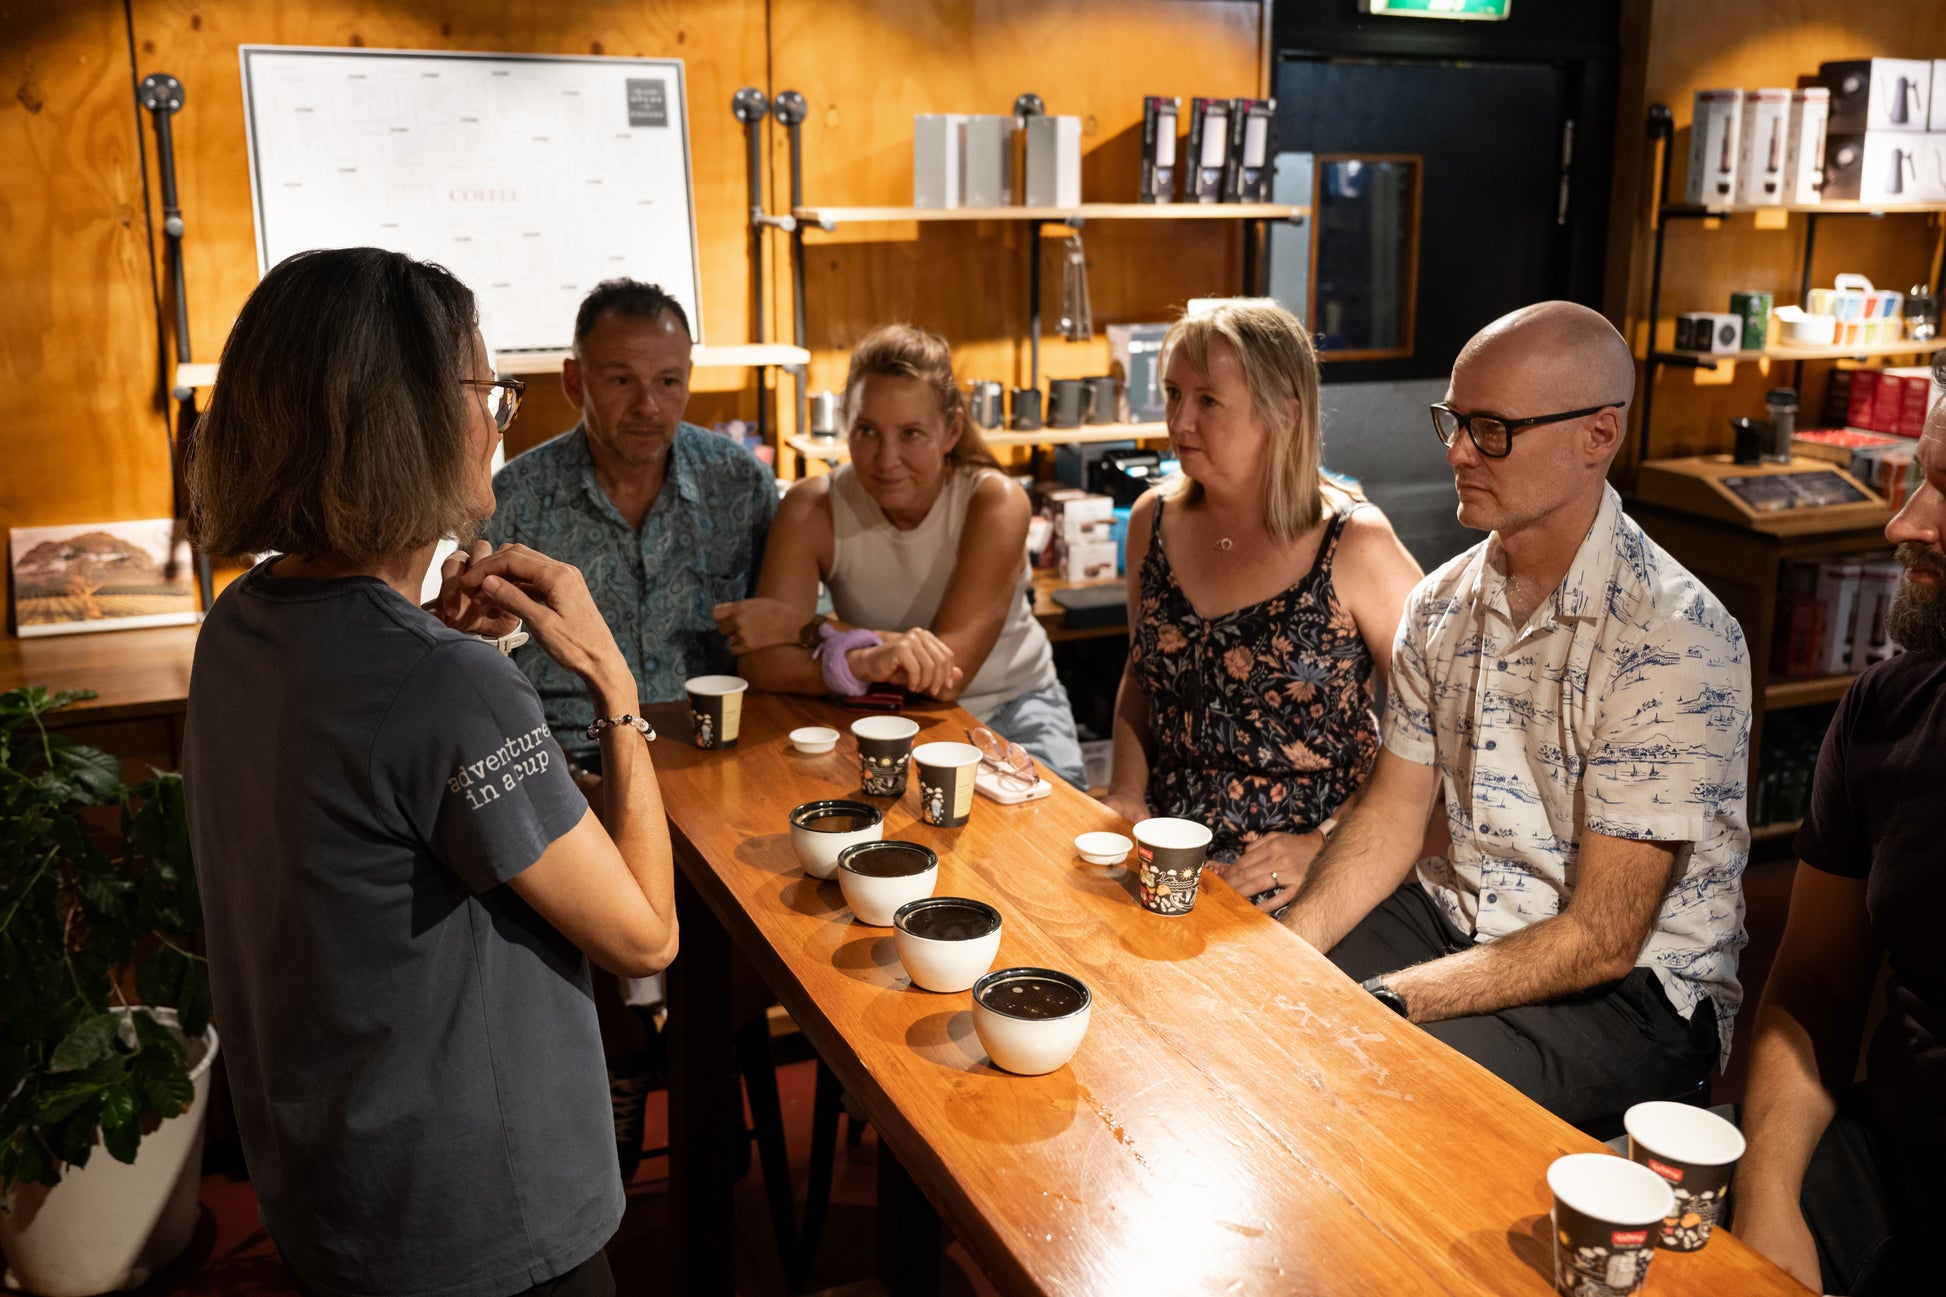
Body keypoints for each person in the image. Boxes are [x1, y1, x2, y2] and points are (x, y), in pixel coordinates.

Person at [183, 247, 678, 1297]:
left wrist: (446, 650)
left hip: (337, 1192)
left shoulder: (239, 623)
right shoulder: (442, 682)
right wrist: (611, 682)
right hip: (486, 1218)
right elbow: (645, 935)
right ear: (405, 417)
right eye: (486, 393)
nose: (497, 422)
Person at [1279, 301, 1751, 1129]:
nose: (1458, 451)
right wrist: (1283, 952)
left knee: (1369, 1080)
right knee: (1262, 1008)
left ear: (1597, 435)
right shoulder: (1438, 603)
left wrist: (1389, 999)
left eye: (1492, 430)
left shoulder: (1672, 635)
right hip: (1463, 916)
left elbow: (1603, 937)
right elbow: (1390, 817)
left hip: (1634, 991)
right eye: (1455, 421)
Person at [1100, 300, 1424, 909]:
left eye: (1208, 401)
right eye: (1173, 394)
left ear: (1283, 413)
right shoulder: (1152, 520)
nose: (1179, 421)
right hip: (1166, 847)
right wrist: (1125, 792)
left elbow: (1433, 722)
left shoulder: (1354, 541)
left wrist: (1326, 844)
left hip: (1298, 870)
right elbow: (1140, 677)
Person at [1733, 380, 1946, 1296]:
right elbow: (1815, 982)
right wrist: (1768, 1197)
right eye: (1920, 478)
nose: (1904, 524)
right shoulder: (1888, 709)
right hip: (1896, 1163)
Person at [713, 323, 1086, 786]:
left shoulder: (995, 502)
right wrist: (860, 662)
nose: (886, 459)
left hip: (1013, 711)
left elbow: (946, 675)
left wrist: (805, 628)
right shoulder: (813, 507)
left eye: (911, 433)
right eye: (867, 431)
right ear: (846, 423)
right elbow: (760, 663)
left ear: (951, 430)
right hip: (879, 712)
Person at [487, 277, 775, 772]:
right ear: (575, 382)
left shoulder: (741, 483)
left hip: (715, 752)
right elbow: (488, 677)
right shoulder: (513, 500)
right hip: (572, 764)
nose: (648, 406)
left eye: (668, 381)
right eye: (621, 381)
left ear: (688, 379)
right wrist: (564, 779)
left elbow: (773, 642)